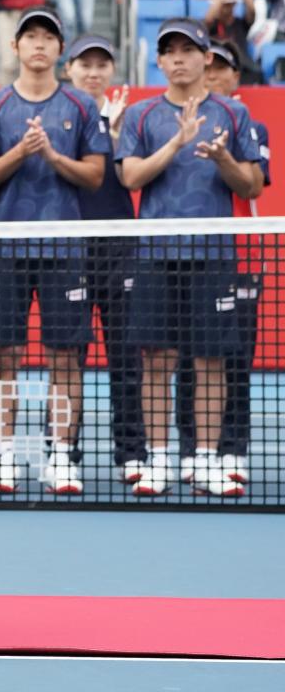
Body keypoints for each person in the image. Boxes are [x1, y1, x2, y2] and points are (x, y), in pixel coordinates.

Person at [117, 18, 262, 497]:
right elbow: (131, 178)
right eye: (169, 51)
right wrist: (177, 143)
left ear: (207, 58)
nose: (178, 58)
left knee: (211, 360)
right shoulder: (141, 116)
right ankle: (159, 460)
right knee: (156, 360)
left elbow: (253, 184)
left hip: (213, 253)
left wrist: (222, 159)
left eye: (188, 50)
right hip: (156, 253)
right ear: (159, 62)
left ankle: (206, 459)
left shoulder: (234, 116)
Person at [0, 8, 107, 495]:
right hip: (7, 247)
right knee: (3, 356)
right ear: (16, 47)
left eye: (48, 37)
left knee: (65, 357)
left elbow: (94, 176)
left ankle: (61, 456)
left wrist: (51, 156)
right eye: (30, 36)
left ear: (59, 49)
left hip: (65, 247)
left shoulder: (81, 106)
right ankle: (3, 454)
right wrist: (20, 154)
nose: (39, 44)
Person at [175, 39, 267, 491]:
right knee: (185, 361)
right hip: (187, 258)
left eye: (223, 69)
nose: (214, 76)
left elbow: (252, 186)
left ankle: (233, 448)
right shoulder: (181, 122)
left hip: (239, 259)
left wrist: (224, 155)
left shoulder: (247, 125)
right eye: (211, 68)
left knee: (234, 359)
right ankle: (192, 450)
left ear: (233, 77)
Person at [62, 33, 148, 487]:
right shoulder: (55, 114)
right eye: (84, 65)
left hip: (118, 247)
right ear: (69, 70)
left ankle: (131, 453)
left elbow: (132, 178)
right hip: (71, 248)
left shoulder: (129, 121)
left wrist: (113, 136)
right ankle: (66, 453)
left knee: (126, 358)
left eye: (102, 65)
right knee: (68, 358)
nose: (93, 73)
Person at [203, 0, 257, 81]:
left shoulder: (241, 24)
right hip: (218, 67)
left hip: (243, 69)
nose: (226, 8)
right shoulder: (212, 26)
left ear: (234, 4)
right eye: (223, 5)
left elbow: (252, 9)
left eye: (229, 4)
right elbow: (208, 19)